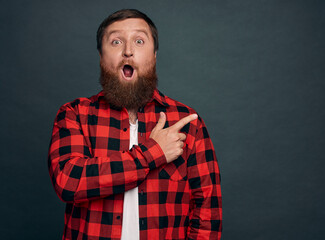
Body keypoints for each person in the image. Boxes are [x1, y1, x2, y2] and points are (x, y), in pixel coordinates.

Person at [48, 9, 222, 240]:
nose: (128, 51)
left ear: (154, 55)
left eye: (139, 41)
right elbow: (68, 182)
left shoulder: (187, 122)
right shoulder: (74, 114)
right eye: (116, 41)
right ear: (101, 56)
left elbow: (207, 211)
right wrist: (152, 153)